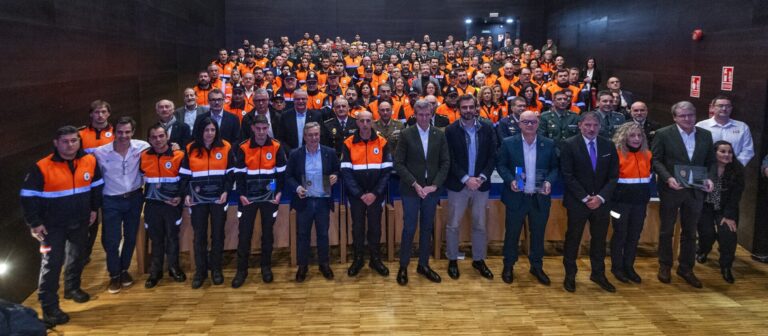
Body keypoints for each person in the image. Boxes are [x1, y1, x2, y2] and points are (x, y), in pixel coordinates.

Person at [20, 126, 102, 326]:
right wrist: (35, 223)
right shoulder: (41, 167)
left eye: (74, 140)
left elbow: (96, 186)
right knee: (51, 264)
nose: (70, 145)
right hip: (51, 226)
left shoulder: (90, 160)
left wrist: (93, 208)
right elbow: (28, 197)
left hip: (81, 221)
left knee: (77, 257)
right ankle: (49, 308)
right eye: (65, 141)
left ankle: (72, 288)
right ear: (56, 143)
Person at [651, 101, 714, 288]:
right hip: (671, 188)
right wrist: (668, 178)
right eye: (683, 115)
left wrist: (710, 179)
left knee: (690, 231)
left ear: (695, 115)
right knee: (666, 230)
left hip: (696, 190)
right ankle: (665, 265)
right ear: (675, 117)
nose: (687, 119)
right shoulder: (663, 134)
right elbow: (656, 160)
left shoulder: (705, 135)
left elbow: (710, 162)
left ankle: (686, 268)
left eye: (691, 115)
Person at [560, 111, 619, 293]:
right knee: (573, 239)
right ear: (580, 126)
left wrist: (600, 198)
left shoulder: (608, 145)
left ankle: (598, 274)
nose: (591, 129)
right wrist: (586, 198)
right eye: (587, 125)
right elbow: (568, 176)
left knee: (599, 240)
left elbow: (613, 176)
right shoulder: (569, 145)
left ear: (600, 127)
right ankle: (570, 275)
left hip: (601, 203)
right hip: (578, 202)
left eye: (595, 125)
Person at [496, 110, 558, 285]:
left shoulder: (549, 143)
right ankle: (508, 265)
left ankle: (536, 266)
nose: (530, 125)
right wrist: (510, 181)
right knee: (512, 234)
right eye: (526, 122)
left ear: (538, 123)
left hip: (539, 197)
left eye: (533, 122)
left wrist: (548, 181)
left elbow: (555, 168)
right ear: (519, 124)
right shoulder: (508, 143)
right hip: (517, 196)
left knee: (538, 234)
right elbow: (501, 165)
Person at [393, 100, 450, 285]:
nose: (424, 118)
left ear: (431, 114)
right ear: (415, 115)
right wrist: (415, 184)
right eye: (421, 114)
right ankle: (403, 266)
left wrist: (434, 185)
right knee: (409, 228)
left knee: (427, 228)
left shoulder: (439, 135)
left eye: (427, 114)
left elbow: (445, 162)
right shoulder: (406, 134)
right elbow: (399, 163)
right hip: (411, 190)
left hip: (431, 190)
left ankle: (423, 265)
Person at [93, 116, 150, 294]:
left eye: (127, 132)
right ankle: (114, 274)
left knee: (131, 236)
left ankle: (124, 270)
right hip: (111, 200)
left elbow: (160, 150)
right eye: (119, 132)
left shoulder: (142, 147)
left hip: (134, 198)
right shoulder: (100, 152)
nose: (123, 136)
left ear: (132, 132)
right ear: (113, 132)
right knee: (112, 239)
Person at [443, 94, 496, 280]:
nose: (467, 110)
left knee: (480, 225)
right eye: (464, 107)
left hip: (481, 185)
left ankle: (479, 259)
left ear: (476, 108)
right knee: (453, 225)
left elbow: (492, 156)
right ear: (459, 109)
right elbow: (449, 159)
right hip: (458, 185)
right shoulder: (450, 131)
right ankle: (452, 259)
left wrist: (481, 177)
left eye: (470, 107)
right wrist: (466, 178)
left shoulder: (488, 128)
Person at [180, 117, 236, 289]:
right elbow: (184, 175)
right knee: (199, 236)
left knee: (218, 234)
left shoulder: (225, 146)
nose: (210, 133)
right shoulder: (190, 148)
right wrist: (186, 194)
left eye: (212, 130)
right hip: (198, 200)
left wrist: (227, 190)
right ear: (199, 130)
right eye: (206, 130)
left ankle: (216, 270)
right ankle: (200, 271)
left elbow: (230, 173)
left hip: (219, 198)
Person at [232, 115, 287, 288]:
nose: (262, 132)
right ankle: (241, 270)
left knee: (268, 233)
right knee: (244, 234)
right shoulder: (243, 147)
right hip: (247, 198)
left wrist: (278, 193)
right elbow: (239, 175)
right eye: (258, 129)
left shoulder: (277, 146)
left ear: (268, 127)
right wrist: (241, 194)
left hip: (269, 198)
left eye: (265, 128)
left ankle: (266, 267)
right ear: (253, 129)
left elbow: (281, 174)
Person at [285, 122, 340, 282]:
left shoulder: (329, 152)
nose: (314, 138)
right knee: (303, 235)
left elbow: (338, 170)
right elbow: (288, 177)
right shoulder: (296, 154)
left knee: (323, 234)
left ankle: (324, 264)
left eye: (316, 134)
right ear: (304, 136)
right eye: (310, 135)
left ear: (319, 135)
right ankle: (303, 266)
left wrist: (335, 176)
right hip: (304, 201)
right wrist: (297, 188)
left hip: (323, 200)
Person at [340, 111, 392, 277]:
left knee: (375, 228)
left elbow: (386, 171)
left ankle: (375, 259)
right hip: (357, 196)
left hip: (376, 195)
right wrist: (361, 194)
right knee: (357, 228)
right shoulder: (348, 143)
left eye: (368, 121)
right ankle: (358, 259)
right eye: (361, 121)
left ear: (372, 123)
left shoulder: (382, 142)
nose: (364, 124)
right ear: (357, 122)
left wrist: (375, 193)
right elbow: (346, 172)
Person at [140, 124, 187, 288]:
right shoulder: (143, 156)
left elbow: (185, 180)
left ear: (167, 137)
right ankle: (156, 272)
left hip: (172, 204)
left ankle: (174, 268)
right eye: (154, 137)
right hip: (152, 205)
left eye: (161, 136)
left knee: (172, 237)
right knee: (156, 239)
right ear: (149, 140)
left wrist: (179, 197)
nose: (158, 140)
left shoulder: (179, 155)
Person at [609, 123, 652, 284]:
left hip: (639, 204)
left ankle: (629, 266)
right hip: (619, 205)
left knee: (634, 235)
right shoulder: (617, 154)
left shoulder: (647, 154)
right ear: (624, 137)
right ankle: (617, 267)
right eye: (632, 135)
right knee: (620, 234)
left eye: (639, 136)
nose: (636, 139)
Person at [696, 141, 744, 283]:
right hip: (705, 207)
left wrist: (729, 216)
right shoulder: (705, 167)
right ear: (714, 153)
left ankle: (726, 267)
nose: (727, 155)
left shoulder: (737, 170)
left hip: (726, 209)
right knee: (707, 234)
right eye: (722, 151)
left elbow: (736, 196)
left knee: (728, 235)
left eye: (729, 152)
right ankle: (703, 250)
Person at [77, 100, 114, 266]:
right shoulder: (81, 135)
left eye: (103, 112)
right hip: (88, 185)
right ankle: (85, 255)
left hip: (111, 183)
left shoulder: (117, 132)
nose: (100, 115)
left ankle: (111, 255)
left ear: (108, 114)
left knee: (108, 222)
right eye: (97, 112)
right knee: (90, 222)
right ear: (91, 114)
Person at [695, 95, 754, 167]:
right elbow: (695, 148)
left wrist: (736, 165)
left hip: (734, 169)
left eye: (728, 106)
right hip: (707, 168)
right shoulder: (701, 126)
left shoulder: (742, 127)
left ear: (731, 108)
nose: (724, 108)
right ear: (712, 108)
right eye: (720, 106)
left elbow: (748, 150)